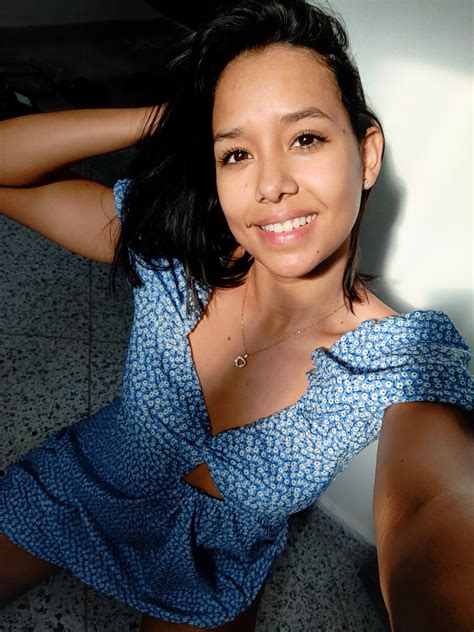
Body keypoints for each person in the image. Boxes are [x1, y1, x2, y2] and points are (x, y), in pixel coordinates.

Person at [0, 0, 473, 630]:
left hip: (209, 568)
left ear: (366, 155)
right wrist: (162, 120)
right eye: (236, 153)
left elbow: (431, 507)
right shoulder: (177, 251)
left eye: (305, 138)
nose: (270, 185)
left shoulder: (403, 359)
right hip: (80, 489)